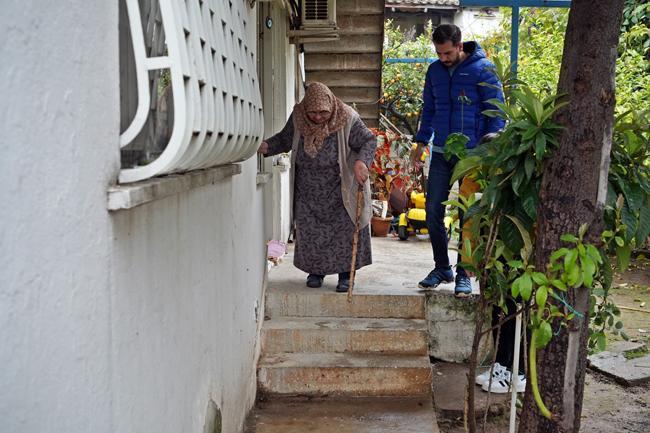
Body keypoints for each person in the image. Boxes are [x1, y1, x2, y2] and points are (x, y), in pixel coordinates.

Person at [411, 24, 505, 296]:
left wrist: (492, 145)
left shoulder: (483, 69)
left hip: (473, 155)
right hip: (441, 151)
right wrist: (420, 141)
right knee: (432, 212)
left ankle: (465, 272)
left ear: (460, 46)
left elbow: (496, 111)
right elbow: (429, 109)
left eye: (448, 53)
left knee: (467, 214)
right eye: (439, 53)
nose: (443, 58)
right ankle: (442, 267)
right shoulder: (434, 72)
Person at [258, 82, 376, 292]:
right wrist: (263, 146)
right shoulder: (299, 117)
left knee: (345, 231)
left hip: (340, 187)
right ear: (305, 109)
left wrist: (361, 163)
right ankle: (316, 271)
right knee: (311, 231)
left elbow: (368, 141)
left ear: (331, 106)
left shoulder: (347, 117)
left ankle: (345, 276)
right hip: (308, 189)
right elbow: (284, 139)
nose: (318, 117)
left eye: (323, 112)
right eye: (313, 113)